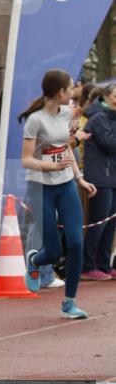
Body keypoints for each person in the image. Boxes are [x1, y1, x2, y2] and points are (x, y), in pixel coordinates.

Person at [19, 69, 96, 319]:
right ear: (61, 92)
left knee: (75, 242)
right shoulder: (35, 120)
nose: (74, 92)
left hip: (66, 185)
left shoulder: (67, 114)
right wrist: (51, 166)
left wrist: (80, 178)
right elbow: (26, 160)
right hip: (40, 186)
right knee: (52, 252)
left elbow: (65, 149)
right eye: (71, 88)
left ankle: (69, 303)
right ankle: (34, 261)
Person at [81, 82, 116, 280]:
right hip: (100, 176)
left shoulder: (111, 116)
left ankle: (104, 263)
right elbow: (110, 143)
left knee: (110, 222)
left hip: (112, 175)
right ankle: (88, 264)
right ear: (106, 97)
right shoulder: (98, 117)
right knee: (99, 221)